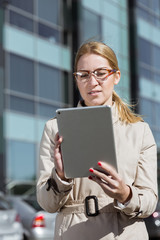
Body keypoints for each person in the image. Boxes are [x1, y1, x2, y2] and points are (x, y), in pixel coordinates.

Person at [37, 41, 158, 240]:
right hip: (73, 232)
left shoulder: (139, 130)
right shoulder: (55, 128)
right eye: (83, 75)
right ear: (76, 80)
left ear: (116, 76)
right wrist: (60, 176)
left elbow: (150, 201)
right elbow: (47, 203)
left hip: (125, 233)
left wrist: (125, 194)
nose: (92, 82)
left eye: (101, 73)